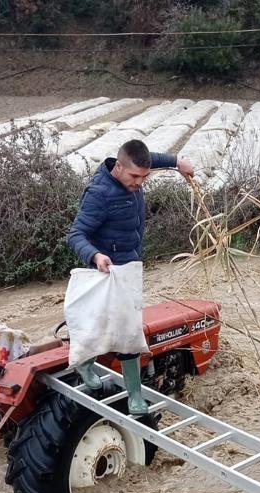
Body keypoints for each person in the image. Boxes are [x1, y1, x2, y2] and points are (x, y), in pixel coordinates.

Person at [66, 139, 194, 414]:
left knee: (126, 329)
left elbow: (151, 158)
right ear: (119, 167)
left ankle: (131, 392)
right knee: (109, 327)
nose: (140, 182)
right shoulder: (99, 194)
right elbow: (76, 234)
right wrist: (95, 256)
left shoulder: (135, 170)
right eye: (135, 176)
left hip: (130, 269)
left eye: (145, 177)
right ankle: (93, 370)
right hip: (105, 269)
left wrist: (176, 162)